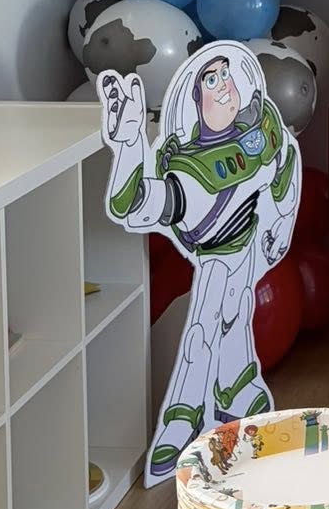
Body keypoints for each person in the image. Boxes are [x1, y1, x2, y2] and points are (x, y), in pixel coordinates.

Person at [99, 43, 299, 482]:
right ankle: (183, 416)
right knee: (203, 332)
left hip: (249, 247)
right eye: (211, 80)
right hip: (216, 257)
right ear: (194, 99)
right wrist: (130, 143)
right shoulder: (189, 174)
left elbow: (283, 163)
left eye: (225, 75)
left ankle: (236, 389)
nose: (223, 85)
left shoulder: (260, 130)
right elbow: (134, 204)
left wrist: (280, 225)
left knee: (236, 316)